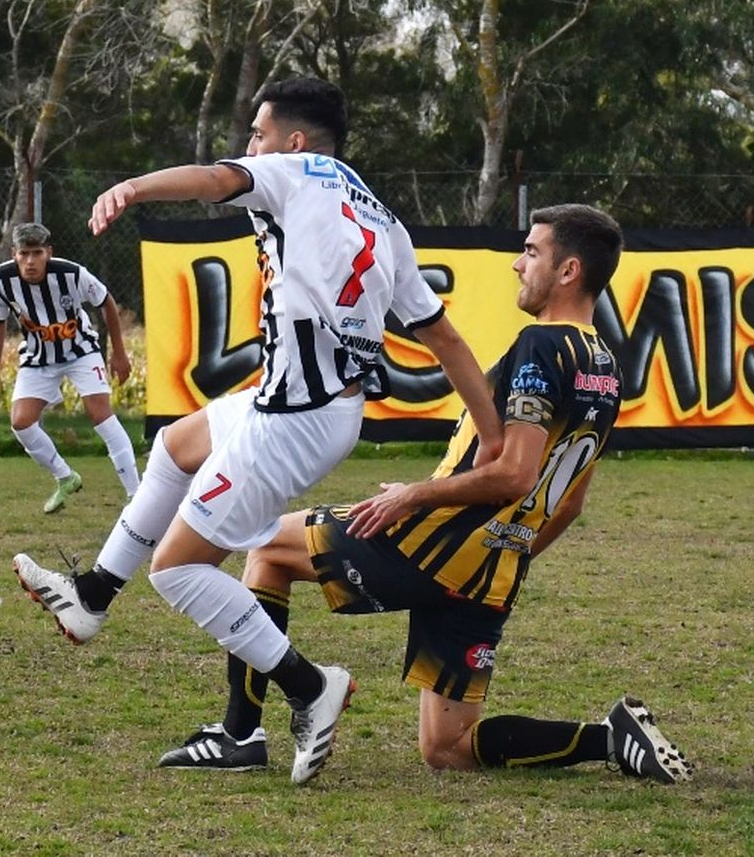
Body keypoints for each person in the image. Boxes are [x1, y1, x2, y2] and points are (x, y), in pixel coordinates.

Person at [13, 77, 503, 784]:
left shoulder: (294, 172)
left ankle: (311, 687)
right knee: (177, 443)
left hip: (294, 419)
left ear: (293, 142)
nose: (250, 147)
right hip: (320, 408)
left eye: (258, 134)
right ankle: (93, 595)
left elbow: (214, 179)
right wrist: (488, 441)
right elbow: (447, 340)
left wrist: (131, 187)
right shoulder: (382, 217)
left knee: (179, 569)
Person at [155, 204, 692, 783]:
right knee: (448, 747)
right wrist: (505, 553)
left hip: (432, 542)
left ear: (568, 271)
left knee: (265, 547)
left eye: (532, 252)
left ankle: (241, 734)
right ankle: (611, 739)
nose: (518, 264)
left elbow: (514, 473)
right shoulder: (606, 368)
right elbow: (572, 500)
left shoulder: (542, 346)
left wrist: (413, 497)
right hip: (491, 568)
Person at [0, 222, 138, 513]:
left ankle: (136, 494)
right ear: (14, 253)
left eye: (37, 253)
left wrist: (119, 352)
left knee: (99, 412)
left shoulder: (71, 274)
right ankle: (66, 477)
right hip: (37, 355)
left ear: (49, 253)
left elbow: (106, 302)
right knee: (21, 421)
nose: (30, 261)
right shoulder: (1, 280)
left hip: (81, 350)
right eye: (24, 254)